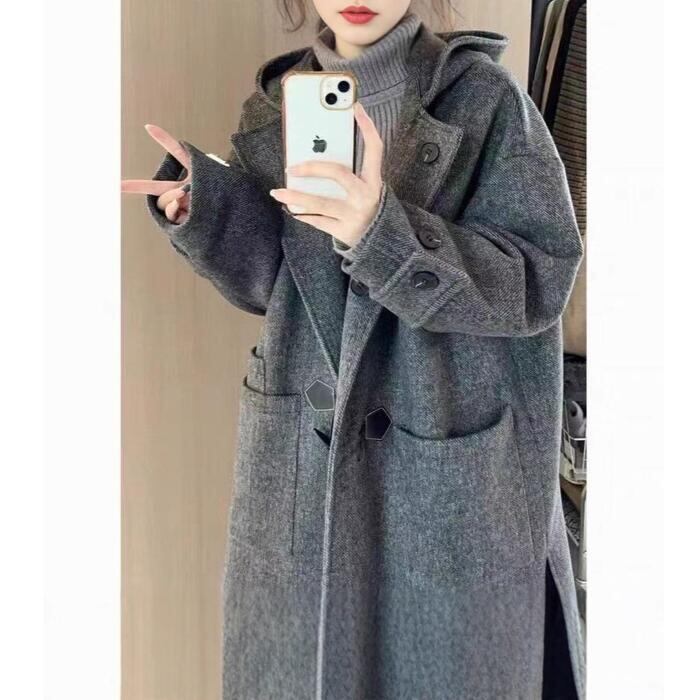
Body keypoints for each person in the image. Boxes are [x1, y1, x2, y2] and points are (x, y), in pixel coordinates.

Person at [121, 2, 585, 698]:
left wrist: (382, 233)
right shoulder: (276, 110)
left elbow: (537, 281)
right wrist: (207, 212)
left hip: (442, 456)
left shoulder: (486, 103)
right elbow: (275, 286)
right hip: (306, 455)